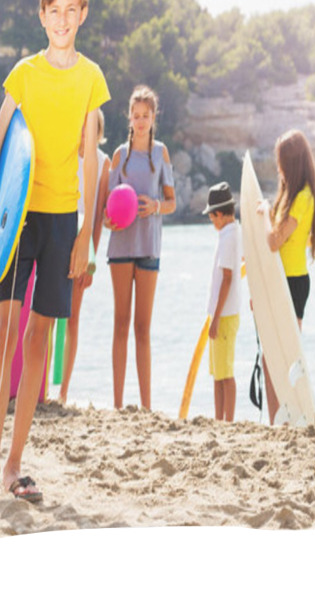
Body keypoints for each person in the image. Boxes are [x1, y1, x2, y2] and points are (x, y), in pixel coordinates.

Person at [0, 0, 110, 510]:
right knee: (3, 336)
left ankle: (18, 464)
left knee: (38, 343)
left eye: (73, 10)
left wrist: (85, 238)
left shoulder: (91, 78)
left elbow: (90, 163)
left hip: (62, 220)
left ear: (82, 14)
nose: (63, 20)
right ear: (42, 16)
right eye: (55, 11)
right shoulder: (23, 73)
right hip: (16, 219)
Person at [105, 85, 175, 410]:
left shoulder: (161, 153)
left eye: (146, 115)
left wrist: (155, 207)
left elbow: (172, 202)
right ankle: (118, 404)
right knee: (120, 323)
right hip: (120, 246)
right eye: (136, 115)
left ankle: (146, 407)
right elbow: (107, 209)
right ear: (129, 118)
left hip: (149, 246)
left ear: (153, 117)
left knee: (142, 328)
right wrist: (109, 221)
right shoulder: (120, 155)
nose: (141, 120)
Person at [259, 129, 315, 424]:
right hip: (283, 280)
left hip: (293, 282)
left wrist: (263, 217)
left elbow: (275, 241)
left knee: (284, 354)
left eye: (281, 162)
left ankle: (289, 414)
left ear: (292, 163)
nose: (278, 168)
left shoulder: (303, 198)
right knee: (270, 355)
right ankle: (277, 418)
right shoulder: (292, 194)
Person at [58, 108, 111, 404]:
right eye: (81, 126)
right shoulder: (64, 153)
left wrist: (90, 263)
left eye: (90, 128)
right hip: (57, 237)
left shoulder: (103, 163)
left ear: (98, 132)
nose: (84, 132)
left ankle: (64, 390)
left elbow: (98, 217)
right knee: (49, 315)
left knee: (73, 317)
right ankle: (42, 385)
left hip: (82, 244)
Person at [203, 182, 243, 422]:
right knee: (218, 372)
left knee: (225, 373)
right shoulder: (231, 233)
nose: (212, 222)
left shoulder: (229, 237)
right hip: (223, 313)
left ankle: (228, 420)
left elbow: (227, 279)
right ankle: (219, 419)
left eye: (212, 217)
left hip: (225, 314)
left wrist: (216, 318)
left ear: (219, 214)